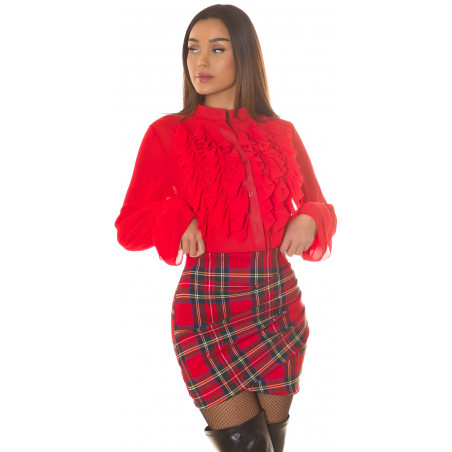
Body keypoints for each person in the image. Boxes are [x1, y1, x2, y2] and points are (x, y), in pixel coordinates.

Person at [114, 4, 337, 451]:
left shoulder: (282, 132)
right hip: (208, 307)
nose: (200, 61)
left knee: (273, 443)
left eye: (217, 49)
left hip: (277, 302)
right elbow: (129, 228)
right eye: (192, 49)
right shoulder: (167, 133)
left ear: (245, 56)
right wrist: (175, 214)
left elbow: (320, 205)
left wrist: (311, 216)